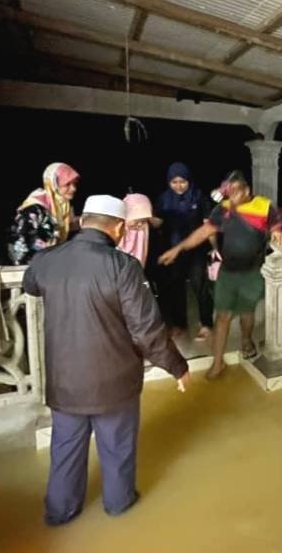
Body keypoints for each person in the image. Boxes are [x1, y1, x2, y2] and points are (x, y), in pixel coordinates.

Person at [23, 194, 189, 526]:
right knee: (117, 448)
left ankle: (60, 512)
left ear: (83, 221)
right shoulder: (123, 266)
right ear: (117, 228)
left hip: (64, 381)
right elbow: (146, 330)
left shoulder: (46, 260)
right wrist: (177, 366)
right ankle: (119, 503)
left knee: (65, 450)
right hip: (114, 383)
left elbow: (31, 286)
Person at [158, 170, 282, 380]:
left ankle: (247, 340)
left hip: (251, 272)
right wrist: (178, 248)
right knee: (222, 317)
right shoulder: (224, 209)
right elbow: (204, 232)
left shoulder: (263, 206)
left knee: (247, 313)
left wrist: (278, 234)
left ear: (247, 190)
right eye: (229, 193)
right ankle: (218, 363)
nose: (232, 197)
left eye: (236, 192)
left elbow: (277, 228)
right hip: (227, 272)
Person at [154, 162, 215, 340]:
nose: (179, 186)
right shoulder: (163, 199)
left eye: (183, 181)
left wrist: (215, 249)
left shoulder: (199, 197)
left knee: (200, 285)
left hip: (197, 250)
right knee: (175, 287)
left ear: (189, 180)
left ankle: (206, 324)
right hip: (172, 250)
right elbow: (157, 223)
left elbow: (208, 225)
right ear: (168, 182)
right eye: (174, 182)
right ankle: (180, 324)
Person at [9, 162, 80, 265]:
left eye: (74, 183)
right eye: (67, 184)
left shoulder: (63, 206)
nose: (73, 189)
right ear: (53, 184)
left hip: (53, 263)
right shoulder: (35, 208)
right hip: (30, 265)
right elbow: (26, 238)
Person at [118, 193, 160, 267]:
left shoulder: (144, 229)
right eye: (137, 221)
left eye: (144, 220)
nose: (140, 224)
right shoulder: (118, 228)